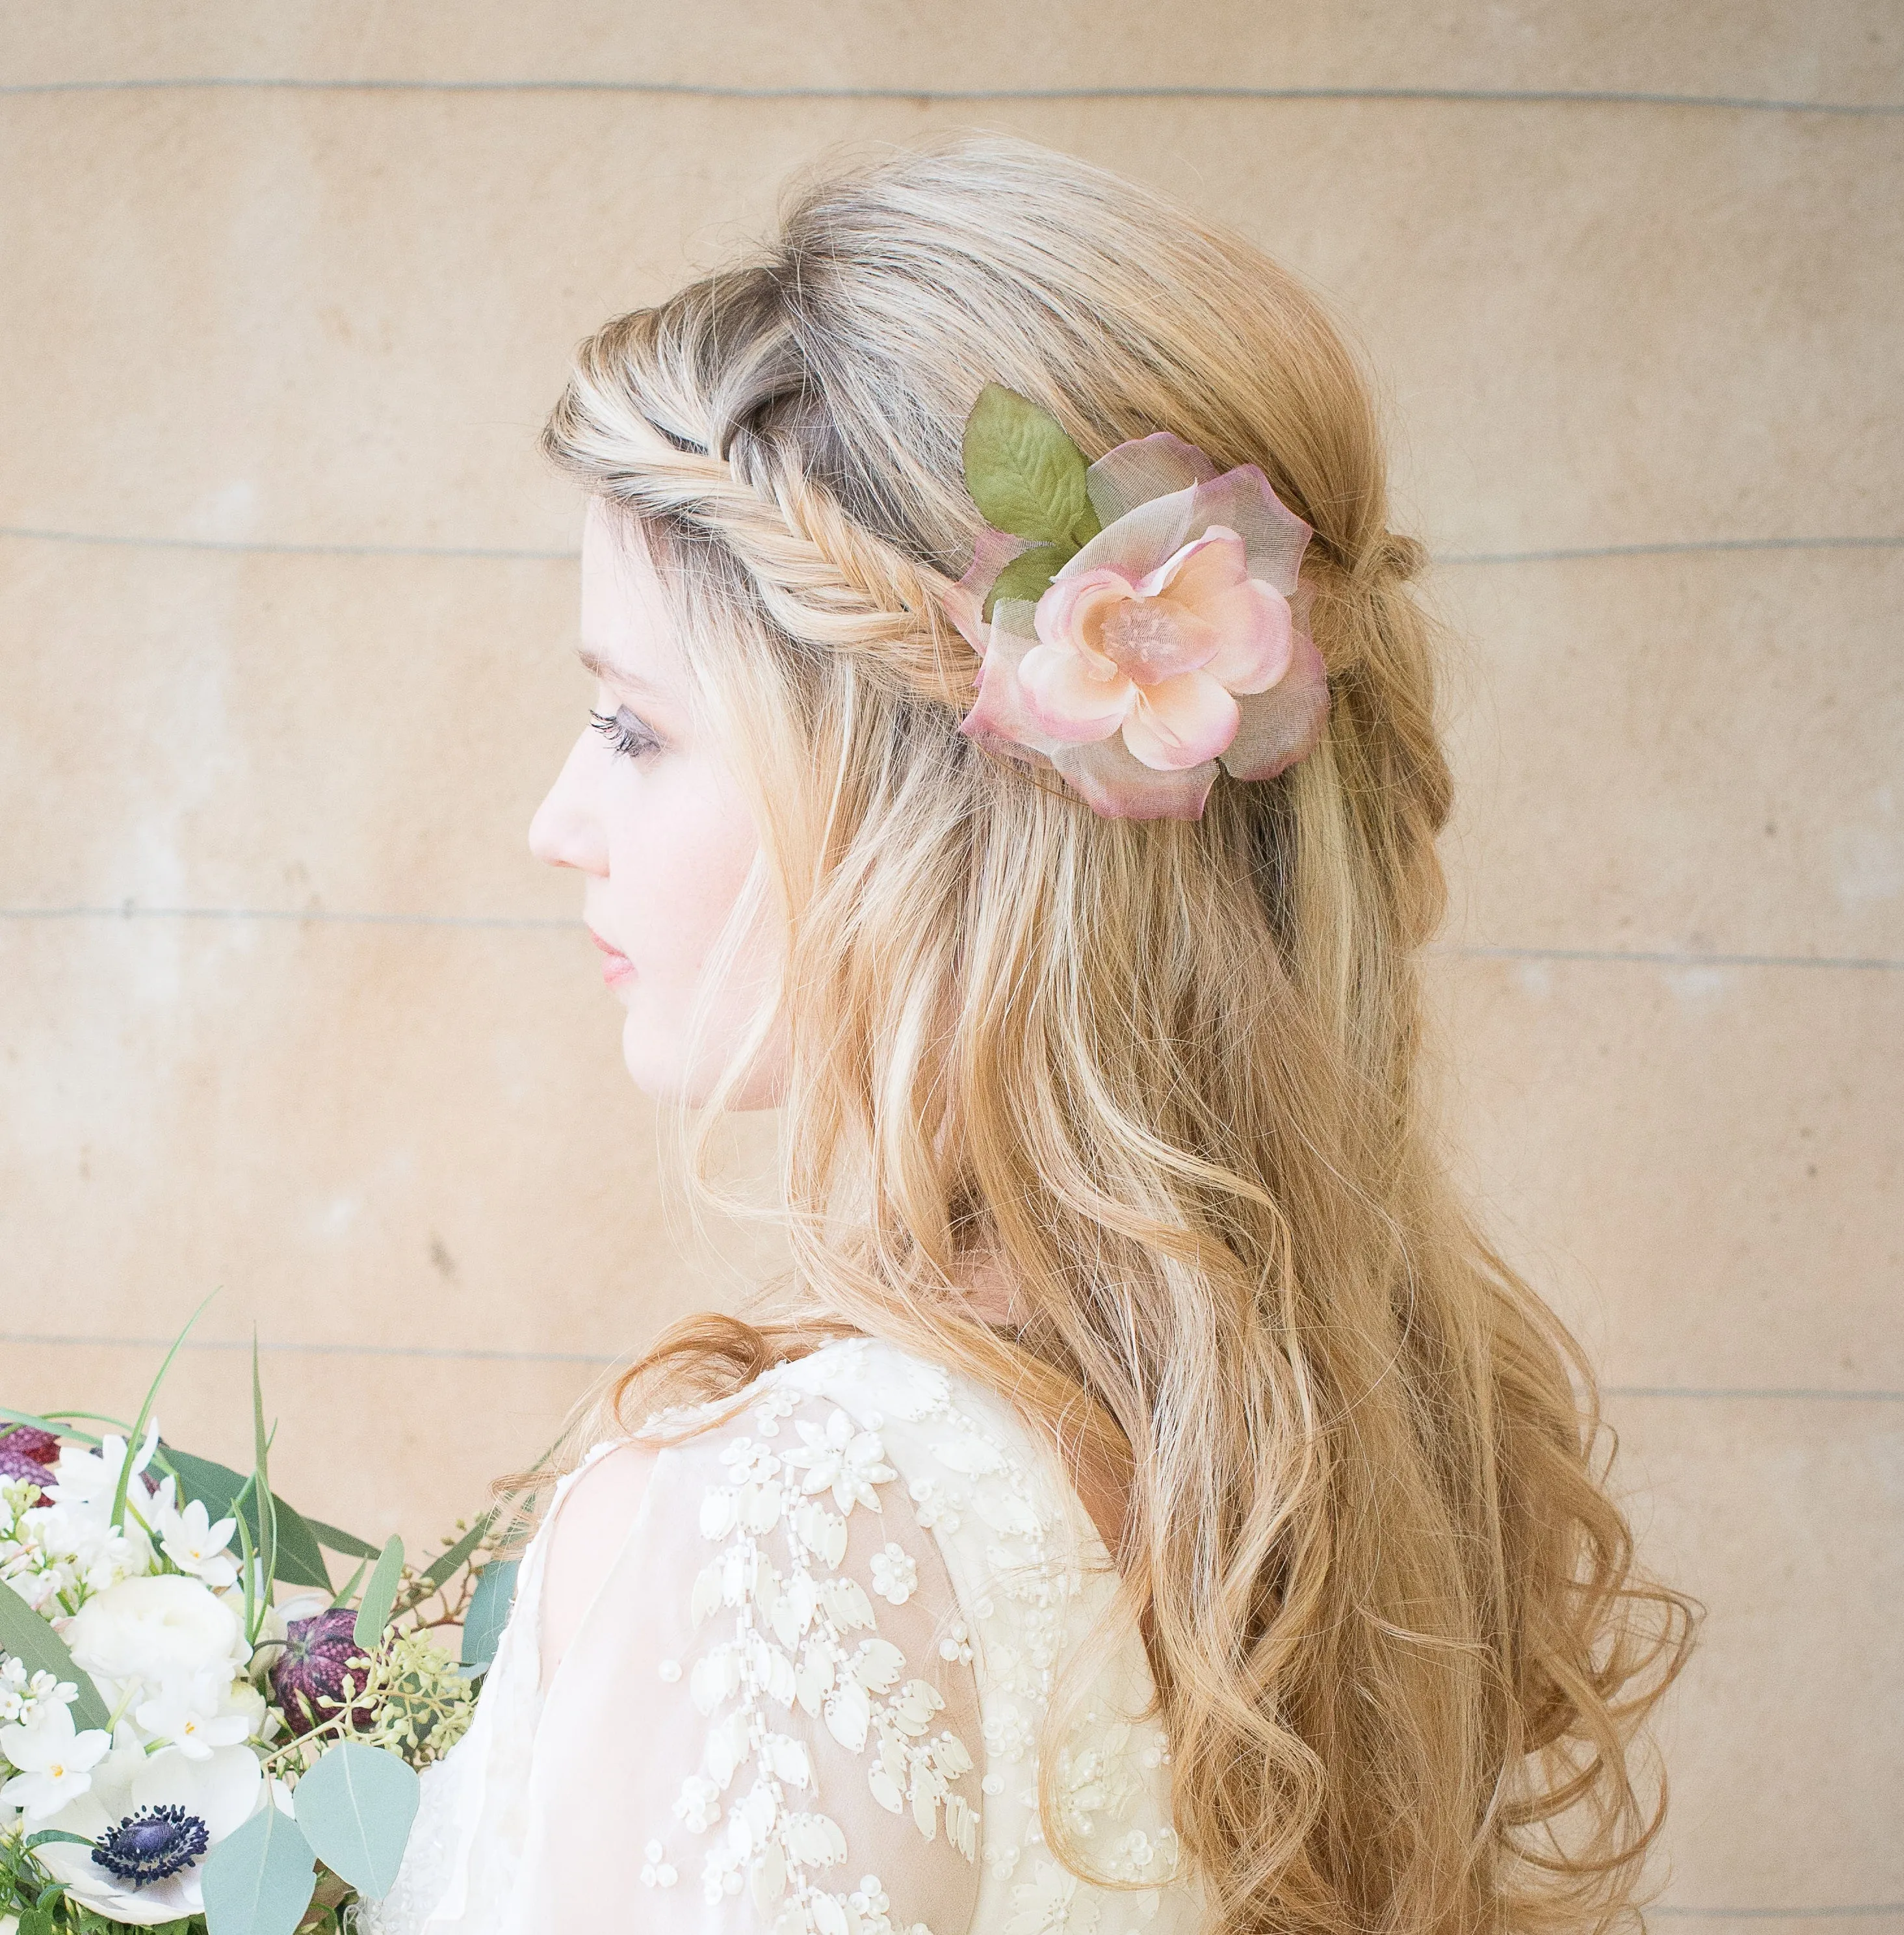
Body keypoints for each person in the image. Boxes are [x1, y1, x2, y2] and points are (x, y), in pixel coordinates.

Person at [365, 133, 1693, 1935]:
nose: (557, 822)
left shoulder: (781, 1529)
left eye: (634, 730)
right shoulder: (1343, 1453)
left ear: (904, 799)